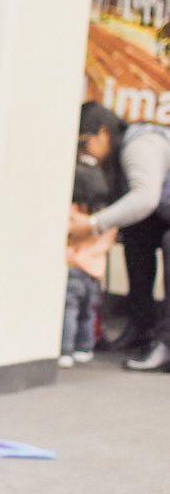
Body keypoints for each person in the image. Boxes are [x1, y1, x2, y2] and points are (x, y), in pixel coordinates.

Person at [67, 102, 170, 371]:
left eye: (84, 143)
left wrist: (93, 225)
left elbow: (146, 198)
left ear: (103, 134)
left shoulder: (141, 143)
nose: (83, 153)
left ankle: (167, 343)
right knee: (136, 234)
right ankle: (141, 327)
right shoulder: (115, 159)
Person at [62, 161, 116, 367]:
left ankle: (65, 349)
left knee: (70, 310)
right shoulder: (107, 222)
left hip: (75, 269)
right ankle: (84, 347)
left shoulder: (73, 216)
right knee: (88, 313)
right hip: (94, 274)